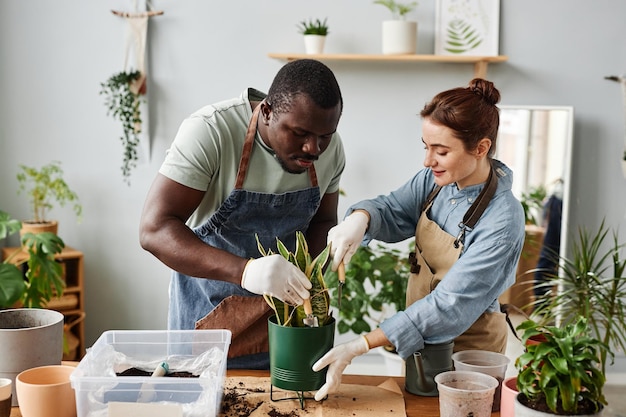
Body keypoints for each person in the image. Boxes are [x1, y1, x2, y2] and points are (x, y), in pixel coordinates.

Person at [312, 78, 526, 401]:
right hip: (423, 346)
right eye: (426, 147)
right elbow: (394, 208)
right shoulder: (435, 180)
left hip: (470, 359)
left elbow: (448, 305)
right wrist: (361, 219)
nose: (428, 161)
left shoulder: (503, 220)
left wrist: (361, 344)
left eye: (441, 151)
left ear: (481, 148)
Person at [139, 59, 345, 369]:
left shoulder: (330, 149)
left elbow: (324, 221)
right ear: (266, 111)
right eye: (300, 133)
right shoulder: (211, 131)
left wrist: (313, 282)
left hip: (281, 328)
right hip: (206, 326)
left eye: (325, 136)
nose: (313, 149)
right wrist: (246, 272)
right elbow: (154, 231)